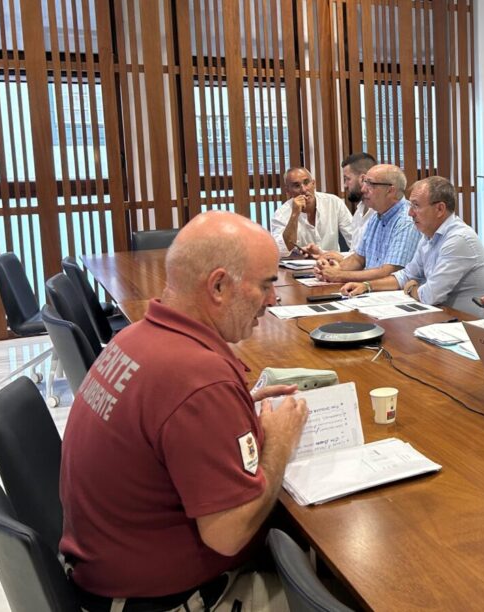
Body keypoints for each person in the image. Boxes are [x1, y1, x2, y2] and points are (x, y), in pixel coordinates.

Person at [60, 211, 308, 608]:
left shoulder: (134, 337)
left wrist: (233, 410)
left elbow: (164, 423)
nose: (273, 299)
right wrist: (279, 443)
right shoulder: (197, 379)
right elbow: (228, 534)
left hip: (105, 569)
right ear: (219, 286)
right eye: (265, 285)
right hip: (159, 598)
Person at [341, 176, 484, 315]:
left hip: (469, 325)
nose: (410, 213)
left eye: (415, 206)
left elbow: (430, 296)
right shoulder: (429, 235)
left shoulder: (458, 240)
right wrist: (367, 286)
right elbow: (407, 275)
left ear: (440, 209)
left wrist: (411, 288)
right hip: (442, 317)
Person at [314, 164, 421, 283]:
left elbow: (389, 272)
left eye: (370, 184)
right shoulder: (376, 216)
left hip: (390, 289)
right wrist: (330, 270)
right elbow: (358, 259)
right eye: (365, 182)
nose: (363, 189)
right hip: (371, 287)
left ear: (390, 190)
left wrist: (339, 275)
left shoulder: (406, 220)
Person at [270, 166, 353, 256]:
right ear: (288, 191)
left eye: (306, 183)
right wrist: (294, 214)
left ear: (313, 184)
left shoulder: (334, 202)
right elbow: (281, 251)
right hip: (300, 264)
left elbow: (354, 239)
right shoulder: (281, 214)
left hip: (333, 261)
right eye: (296, 186)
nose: (303, 190)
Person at [341, 152, 378, 254]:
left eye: (347, 179)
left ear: (363, 179)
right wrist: (324, 254)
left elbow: (372, 258)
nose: (345, 185)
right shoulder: (359, 211)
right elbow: (354, 253)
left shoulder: (381, 212)